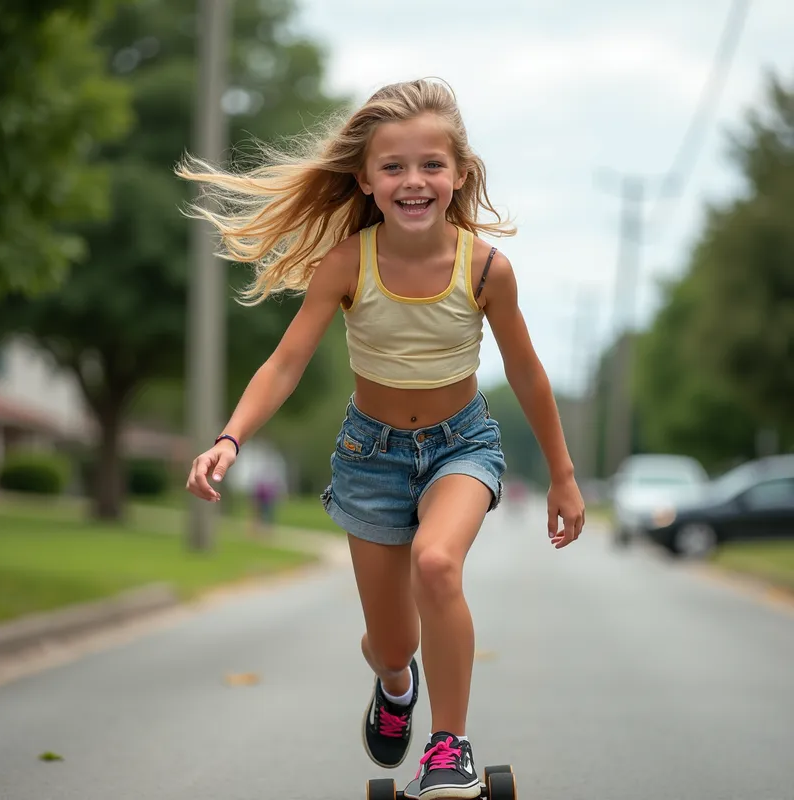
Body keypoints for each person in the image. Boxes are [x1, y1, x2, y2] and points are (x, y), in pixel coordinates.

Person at [179, 78, 585, 800]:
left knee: (438, 564)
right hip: (371, 457)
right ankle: (396, 686)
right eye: (393, 167)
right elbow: (286, 362)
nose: (414, 180)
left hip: (462, 446)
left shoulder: (486, 269)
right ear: (366, 180)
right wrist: (230, 438)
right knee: (392, 643)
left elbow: (526, 372)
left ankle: (447, 746)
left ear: (459, 173)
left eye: (431, 164)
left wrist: (562, 473)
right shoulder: (346, 263)